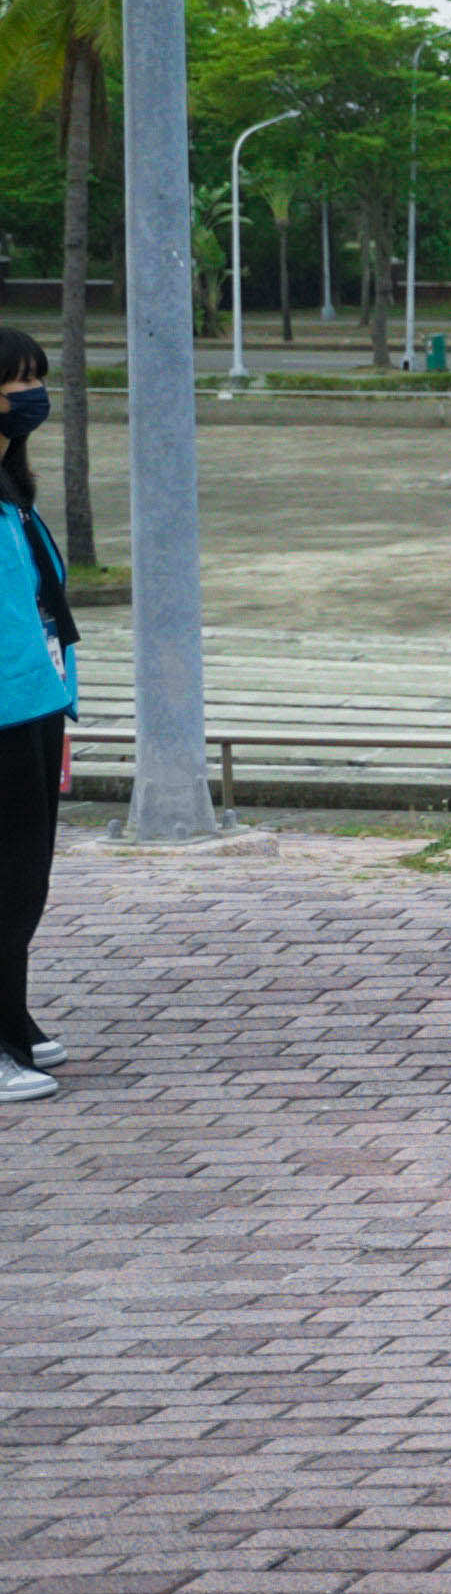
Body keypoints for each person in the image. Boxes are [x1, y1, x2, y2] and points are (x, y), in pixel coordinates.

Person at [0, 333, 76, 1102]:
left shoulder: (10, 486)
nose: (30, 395)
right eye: (16, 381)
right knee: (7, 876)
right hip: (5, 707)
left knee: (25, 878)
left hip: (32, 701)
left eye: (34, 380)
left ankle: (11, 1022)